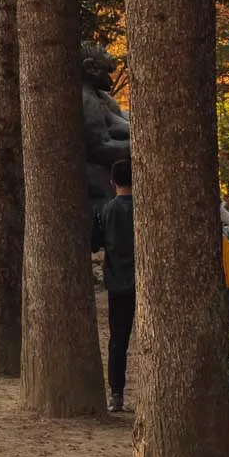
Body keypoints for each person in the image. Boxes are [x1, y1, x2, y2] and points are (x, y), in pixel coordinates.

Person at [92, 158, 135, 413]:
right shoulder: (148, 209)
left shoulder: (106, 210)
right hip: (147, 281)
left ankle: (116, 394)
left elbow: (94, 243)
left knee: (118, 340)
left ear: (112, 182)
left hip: (118, 281)